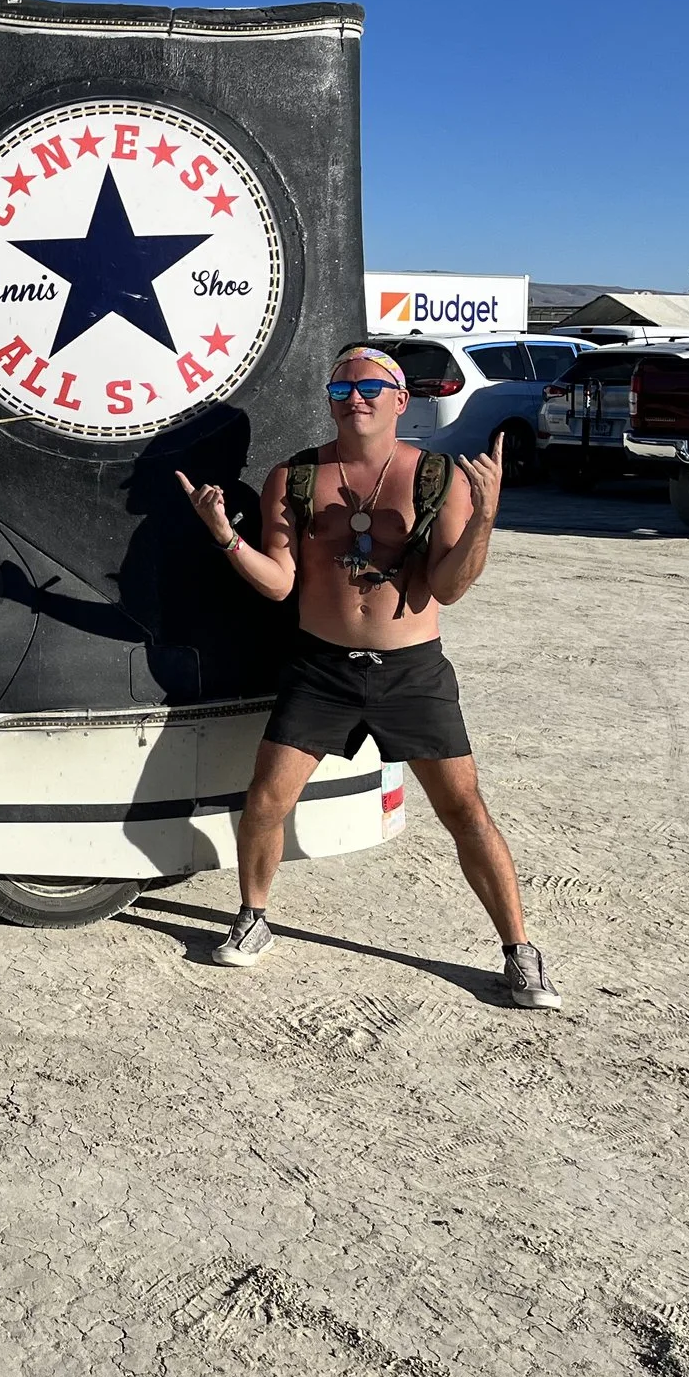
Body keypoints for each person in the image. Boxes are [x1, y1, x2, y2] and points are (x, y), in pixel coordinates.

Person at [175, 347, 560, 1009]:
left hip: (412, 672)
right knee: (266, 799)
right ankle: (254, 917)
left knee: (464, 810)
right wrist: (222, 534)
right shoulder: (293, 478)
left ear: (400, 399)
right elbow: (280, 584)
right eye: (342, 386)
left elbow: (448, 586)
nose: (355, 396)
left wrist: (485, 520)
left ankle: (520, 952)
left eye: (371, 386)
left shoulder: (436, 476)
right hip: (321, 666)